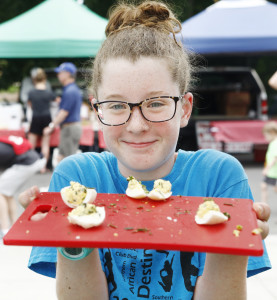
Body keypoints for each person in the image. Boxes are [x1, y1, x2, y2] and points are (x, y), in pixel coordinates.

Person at [28, 1, 271, 299]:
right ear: (96, 110)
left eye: (155, 103)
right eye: (116, 105)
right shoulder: (77, 177)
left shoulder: (219, 177)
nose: (137, 125)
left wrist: (231, 246)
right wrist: (71, 235)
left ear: (184, 109)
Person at [0, 135, 46, 238]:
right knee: (7, 193)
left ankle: (5, 230)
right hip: (33, 159)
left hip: (26, 162)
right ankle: (14, 227)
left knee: (1, 191)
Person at [43, 62, 82, 165]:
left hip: (69, 128)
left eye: (60, 73)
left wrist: (51, 126)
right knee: (64, 158)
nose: (58, 75)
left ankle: (68, 181)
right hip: (70, 127)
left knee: (67, 161)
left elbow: (64, 112)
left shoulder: (70, 91)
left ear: (67, 74)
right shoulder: (72, 89)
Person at [27, 68, 56, 172]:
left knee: (31, 145)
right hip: (46, 118)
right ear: (44, 79)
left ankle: (30, 165)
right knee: (45, 144)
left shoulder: (31, 92)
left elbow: (29, 105)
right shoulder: (48, 92)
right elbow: (56, 102)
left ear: (34, 79)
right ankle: (43, 167)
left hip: (36, 117)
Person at [261, 121, 277, 203]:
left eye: (266, 135)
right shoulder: (273, 143)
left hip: (273, 172)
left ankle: (264, 204)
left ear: (272, 132)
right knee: (263, 186)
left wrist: (266, 169)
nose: (265, 138)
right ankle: (264, 203)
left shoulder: (275, 143)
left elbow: (275, 158)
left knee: (274, 188)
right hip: (272, 171)